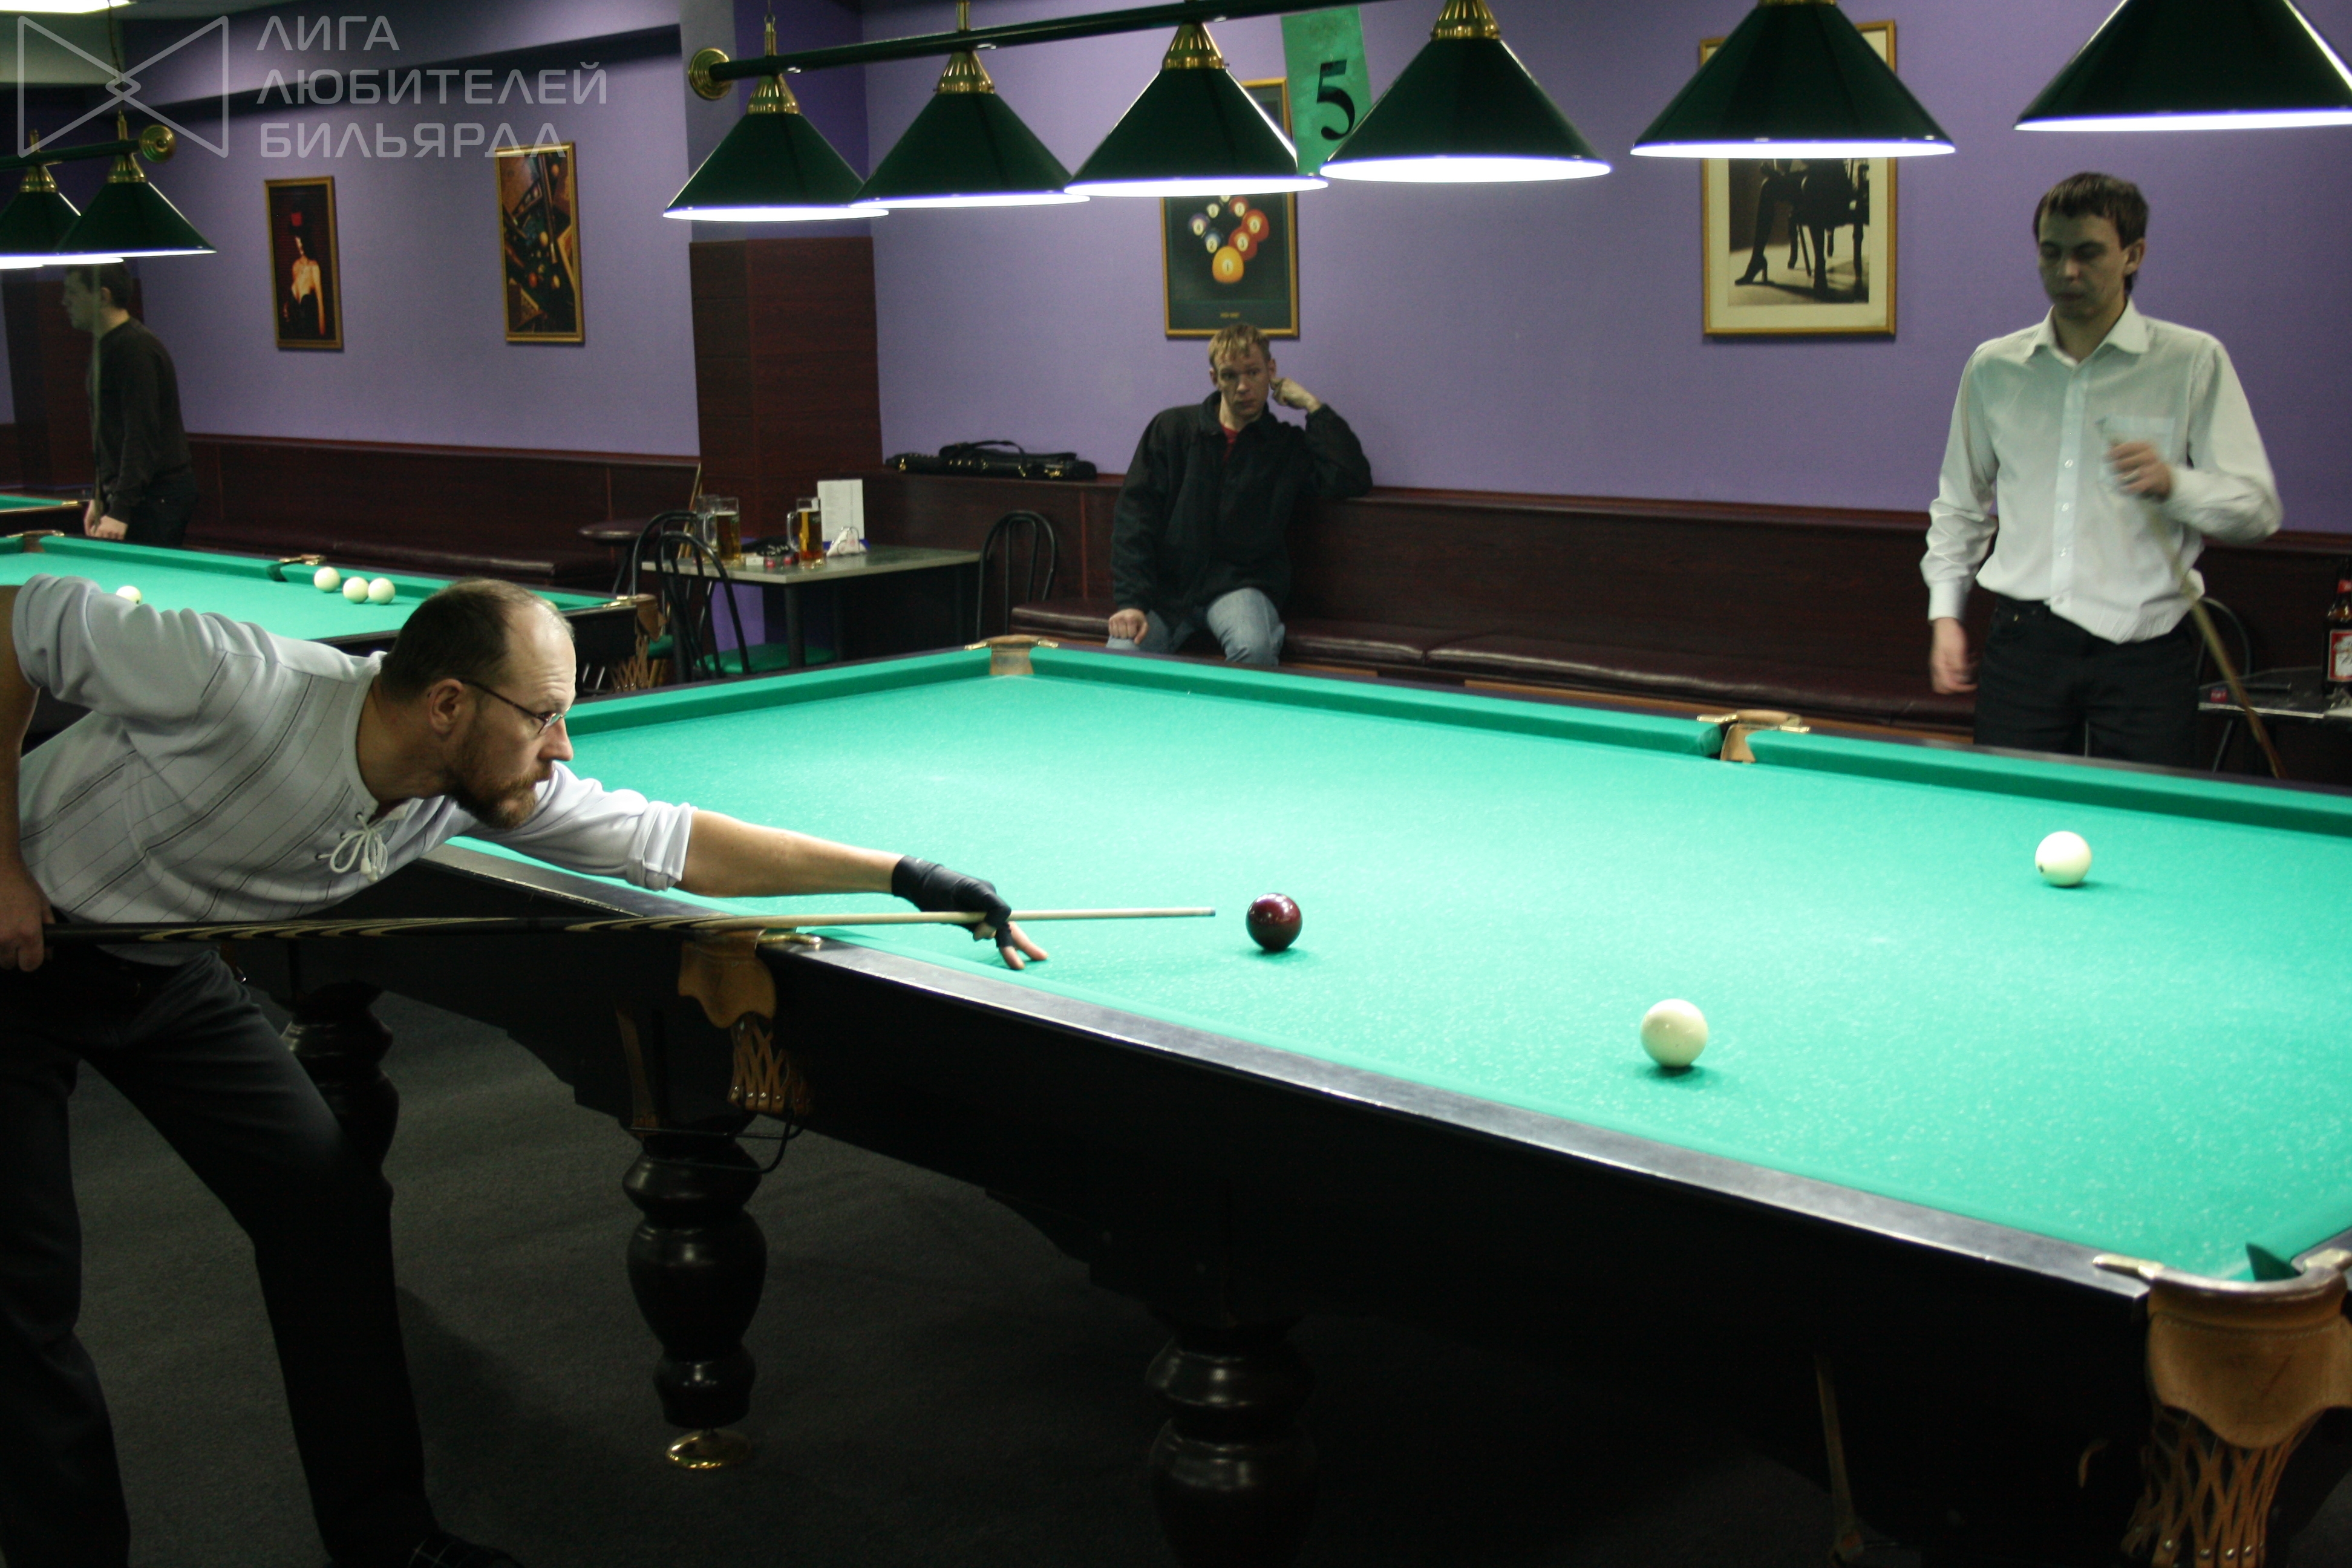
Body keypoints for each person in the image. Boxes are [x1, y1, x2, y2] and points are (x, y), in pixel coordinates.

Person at [0, 575, 1044, 1568]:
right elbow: (11, 623)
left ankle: (384, 1536)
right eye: (544, 715)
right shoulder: (240, 677)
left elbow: (670, 843)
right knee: (23, 1295)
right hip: (15, 948)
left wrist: (902, 876)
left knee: (329, 1207)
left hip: (161, 970)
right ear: (449, 703)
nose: (562, 744)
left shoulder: (462, 784)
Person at [1922, 172, 2281, 768]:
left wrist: (2175, 484)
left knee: (2149, 815)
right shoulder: (1994, 368)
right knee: (2013, 808)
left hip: (2145, 648)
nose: (2067, 272)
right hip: (2024, 645)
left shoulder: (2191, 360)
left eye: (2088, 253)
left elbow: (2258, 511)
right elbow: (1960, 505)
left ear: (2133, 255)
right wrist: (1945, 614)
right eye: (2051, 252)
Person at [1106, 322, 1371, 667]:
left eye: (1253, 372)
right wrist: (1131, 602)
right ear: (1215, 378)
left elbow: (1351, 478)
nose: (1243, 387)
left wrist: (1313, 406)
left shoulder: (1284, 446)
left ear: (1271, 371)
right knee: (1121, 655)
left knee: (1254, 648)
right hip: (1169, 591)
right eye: (1230, 376)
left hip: (1240, 587)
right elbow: (1134, 519)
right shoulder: (1173, 430)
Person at [62, 263, 197, 548]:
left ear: (103, 296)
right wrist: (100, 495)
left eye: (73, 292)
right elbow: (108, 437)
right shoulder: (107, 346)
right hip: (136, 495)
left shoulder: (136, 350)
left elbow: (141, 435)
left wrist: (120, 510)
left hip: (157, 497)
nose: (65, 301)